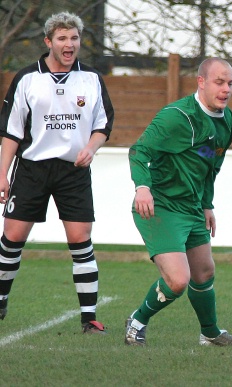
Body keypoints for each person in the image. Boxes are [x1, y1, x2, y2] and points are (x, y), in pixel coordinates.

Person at [0, 12, 113, 334]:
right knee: (13, 237)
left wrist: (91, 148)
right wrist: (2, 175)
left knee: (80, 239)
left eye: (74, 38)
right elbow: (10, 133)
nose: (69, 44)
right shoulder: (27, 79)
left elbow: (103, 125)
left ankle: (88, 318)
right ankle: (0, 300)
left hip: (73, 171)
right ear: (48, 42)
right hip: (32, 168)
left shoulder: (90, 79)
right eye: (62, 38)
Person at [124, 57, 232, 347]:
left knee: (204, 270)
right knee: (178, 280)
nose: (226, 89)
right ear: (201, 82)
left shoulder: (227, 120)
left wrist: (207, 204)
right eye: (219, 82)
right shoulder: (177, 116)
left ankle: (210, 333)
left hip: (191, 207)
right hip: (161, 206)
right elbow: (139, 151)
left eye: (230, 83)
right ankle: (137, 321)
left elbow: (211, 167)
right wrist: (142, 187)